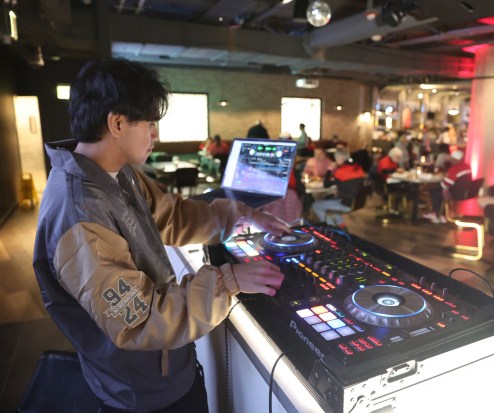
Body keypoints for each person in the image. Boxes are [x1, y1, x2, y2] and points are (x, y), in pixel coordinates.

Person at [32, 58, 290, 413]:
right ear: (117, 123)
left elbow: (174, 216)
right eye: (150, 124)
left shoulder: (116, 173)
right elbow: (139, 319)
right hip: (140, 392)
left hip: (165, 369)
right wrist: (228, 281)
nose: (156, 136)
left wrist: (242, 214)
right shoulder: (79, 214)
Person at [311, 147, 365, 227]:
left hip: (345, 203)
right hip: (355, 201)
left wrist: (329, 169)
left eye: (336, 159)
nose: (335, 161)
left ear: (340, 159)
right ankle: (341, 225)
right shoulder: (358, 167)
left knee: (316, 205)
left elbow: (326, 184)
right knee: (329, 199)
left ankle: (331, 227)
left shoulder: (341, 171)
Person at [423, 150, 471, 224]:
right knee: (437, 190)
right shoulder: (467, 166)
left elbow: (445, 184)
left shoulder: (454, 168)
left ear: (456, 159)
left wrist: (444, 179)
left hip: (455, 193)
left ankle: (437, 215)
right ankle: (441, 214)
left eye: (452, 159)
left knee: (434, 191)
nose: (450, 160)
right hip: (464, 191)